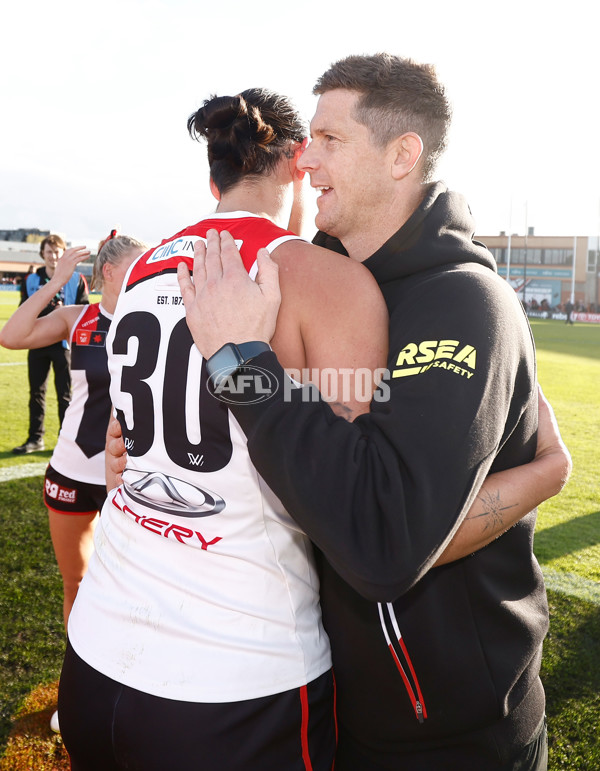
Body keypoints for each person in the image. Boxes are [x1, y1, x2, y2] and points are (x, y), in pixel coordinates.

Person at [65, 88, 565, 771]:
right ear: (296, 169)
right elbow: (363, 515)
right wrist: (542, 474)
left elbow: (135, 434)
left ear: (213, 177)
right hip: (234, 678)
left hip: (97, 647)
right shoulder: (322, 279)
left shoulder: (142, 268)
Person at [0, 233, 145, 733]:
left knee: (134, 588)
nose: (144, 272)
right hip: (71, 472)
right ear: (108, 272)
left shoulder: (153, 319)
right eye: (135, 266)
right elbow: (12, 336)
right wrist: (57, 283)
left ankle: (134, 685)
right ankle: (81, 692)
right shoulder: (77, 318)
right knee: (77, 584)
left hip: (128, 479)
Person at [12, 234, 89, 454]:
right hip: (36, 343)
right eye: (49, 252)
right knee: (36, 393)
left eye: (57, 252)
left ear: (62, 253)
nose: (53, 256)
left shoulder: (76, 279)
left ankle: (66, 442)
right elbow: (23, 311)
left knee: (65, 394)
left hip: (64, 345)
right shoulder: (31, 280)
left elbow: (84, 312)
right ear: (42, 254)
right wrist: (49, 310)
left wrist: (64, 312)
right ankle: (35, 439)